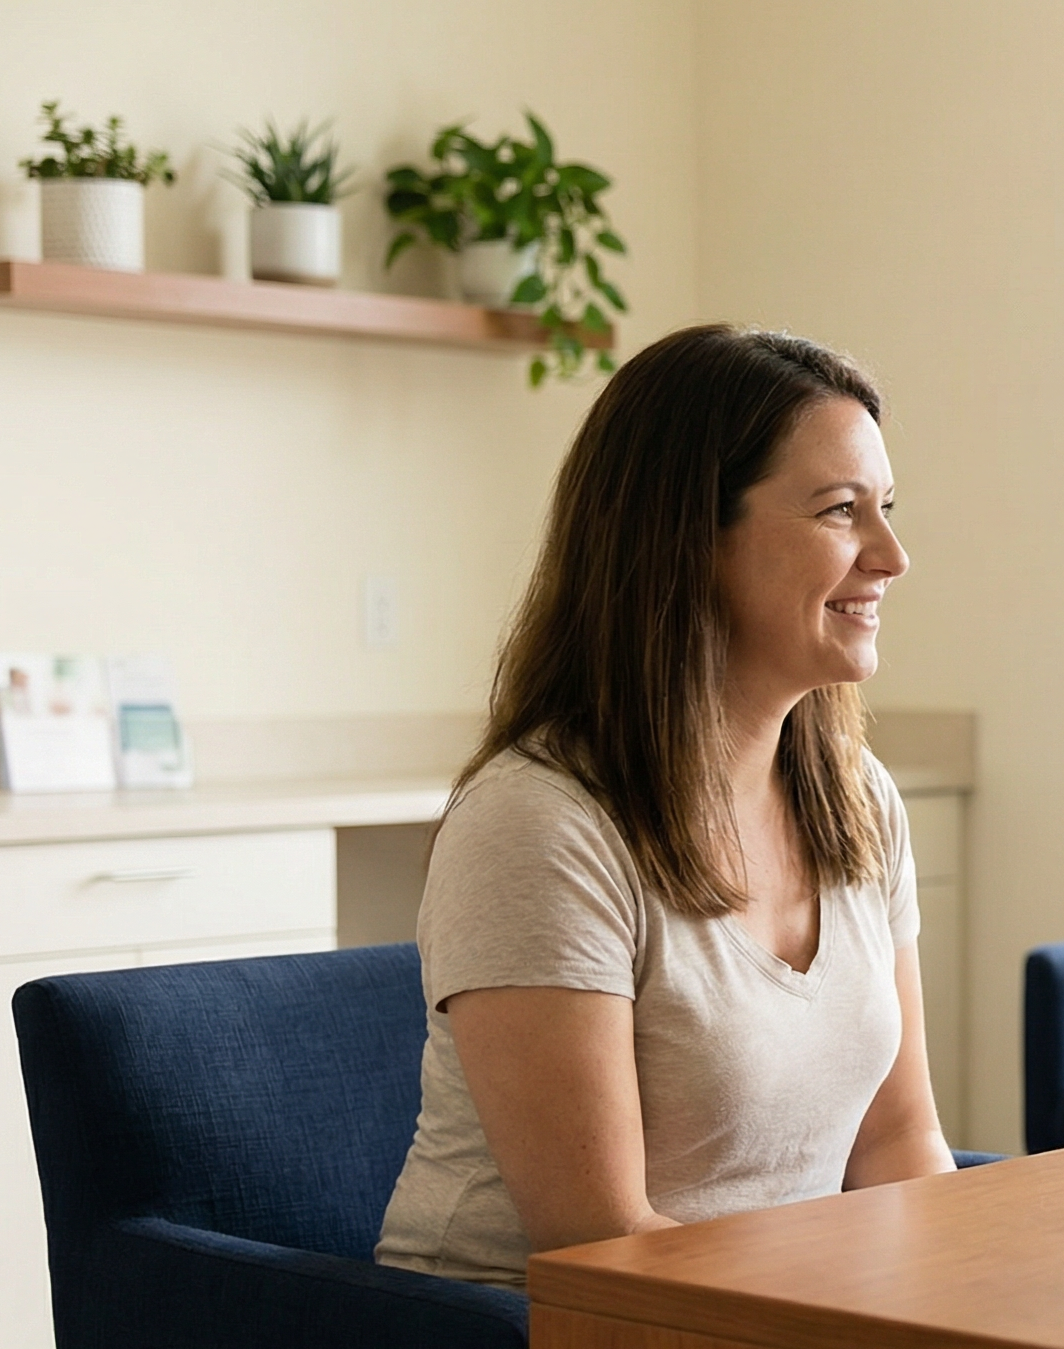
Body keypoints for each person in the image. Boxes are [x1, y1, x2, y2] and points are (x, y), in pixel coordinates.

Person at [376, 324, 957, 1290]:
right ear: (689, 538)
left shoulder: (860, 801)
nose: (891, 555)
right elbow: (599, 1236)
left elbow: (900, 1142)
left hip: (775, 1321)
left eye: (885, 508)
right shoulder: (540, 825)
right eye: (840, 511)